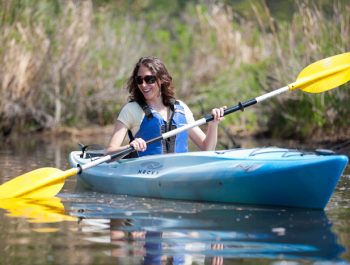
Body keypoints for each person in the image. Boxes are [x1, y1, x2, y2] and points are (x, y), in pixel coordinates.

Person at [106, 56, 226, 156]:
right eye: (139, 80)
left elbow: (207, 148)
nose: (143, 85)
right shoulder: (131, 110)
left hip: (180, 174)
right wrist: (130, 146)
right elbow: (110, 152)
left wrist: (213, 125)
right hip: (146, 175)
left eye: (149, 79)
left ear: (162, 79)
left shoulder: (182, 109)